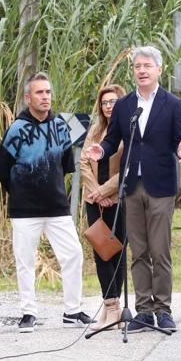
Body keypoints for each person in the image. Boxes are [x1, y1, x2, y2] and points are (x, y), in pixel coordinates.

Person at [85, 46, 181, 333]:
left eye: (147, 66)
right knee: (139, 251)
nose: (141, 71)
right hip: (131, 185)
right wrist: (101, 150)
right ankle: (143, 311)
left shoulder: (173, 104)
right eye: (137, 66)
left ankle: (164, 310)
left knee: (160, 251)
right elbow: (113, 139)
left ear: (159, 69)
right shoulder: (124, 105)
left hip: (161, 186)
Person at [0, 73, 94, 333]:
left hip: (57, 206)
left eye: (48, 92)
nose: (45, 97)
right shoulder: (16, 129)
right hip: (25, 209)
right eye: (39, 93)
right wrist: (19, 193)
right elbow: (2, 169)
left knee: (73, 254)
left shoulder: (61, 126)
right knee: (25, 259)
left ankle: (72, 310)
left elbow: (64, 166)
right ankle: (28, 312)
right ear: (28, 97)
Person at [80, 83, 127, 332]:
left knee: (116, 251)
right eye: (105, 102)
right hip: (95, 201)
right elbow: (84, 162)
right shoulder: (96, 130)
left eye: (113, 102)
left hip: (119, 200)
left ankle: (116, 307)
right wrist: (96, 192)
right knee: (101, 252)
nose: (109, 106)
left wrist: (106, 190)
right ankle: (109, 306)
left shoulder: (127, 130)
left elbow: (128, 167)